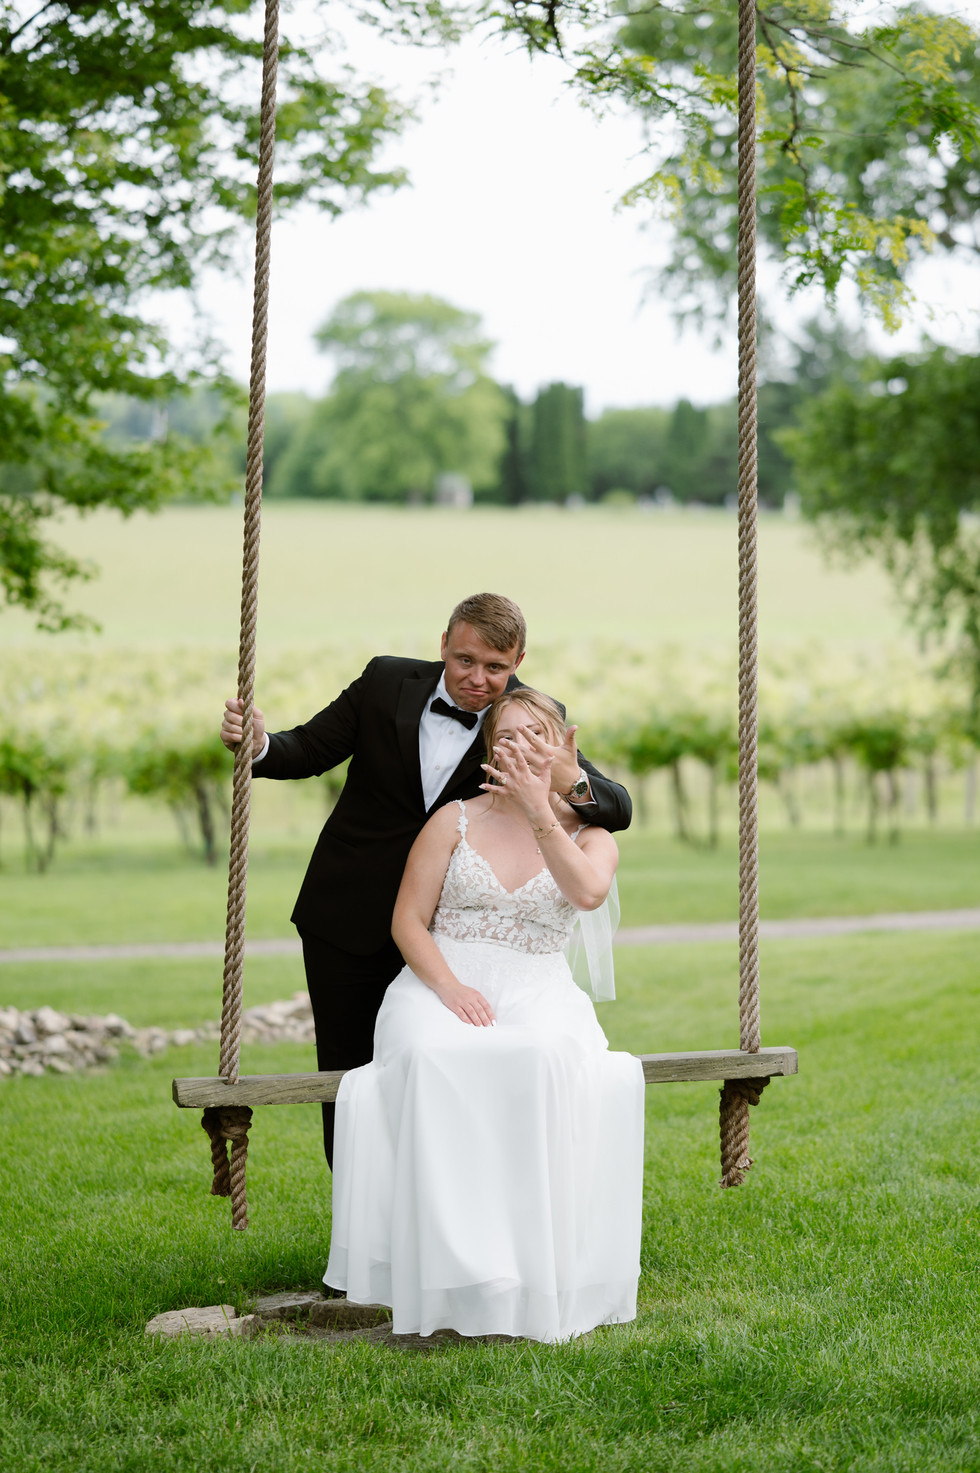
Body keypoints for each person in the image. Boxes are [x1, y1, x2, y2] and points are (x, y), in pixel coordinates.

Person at [220, 593, 631, 1165]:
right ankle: (358, 1208)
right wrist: (259, 743)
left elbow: (616, 808)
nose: (478, 680)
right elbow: (308, 749)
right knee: (350, 1078)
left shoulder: (526, 717)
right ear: (443, 645)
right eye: (465, 660)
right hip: (348, 912)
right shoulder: (385, 682)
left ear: (518, 662)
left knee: (445, 1079)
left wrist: (571, 778)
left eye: (496, 667)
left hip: (453, 936)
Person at [324, 687, 645, 1342]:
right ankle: (447, 1267)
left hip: (538, 986)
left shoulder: (592, 834)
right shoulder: (453, 821)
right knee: (431, 1056)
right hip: (440, 980)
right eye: (507, 735)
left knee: (542, 1057)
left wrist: (540, 809)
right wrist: (447, 987)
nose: (520, 746)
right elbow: (407, 921)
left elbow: (587, 893)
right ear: (488, 749)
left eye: (536, 735)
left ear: (565, 748)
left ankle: (523, 1268)